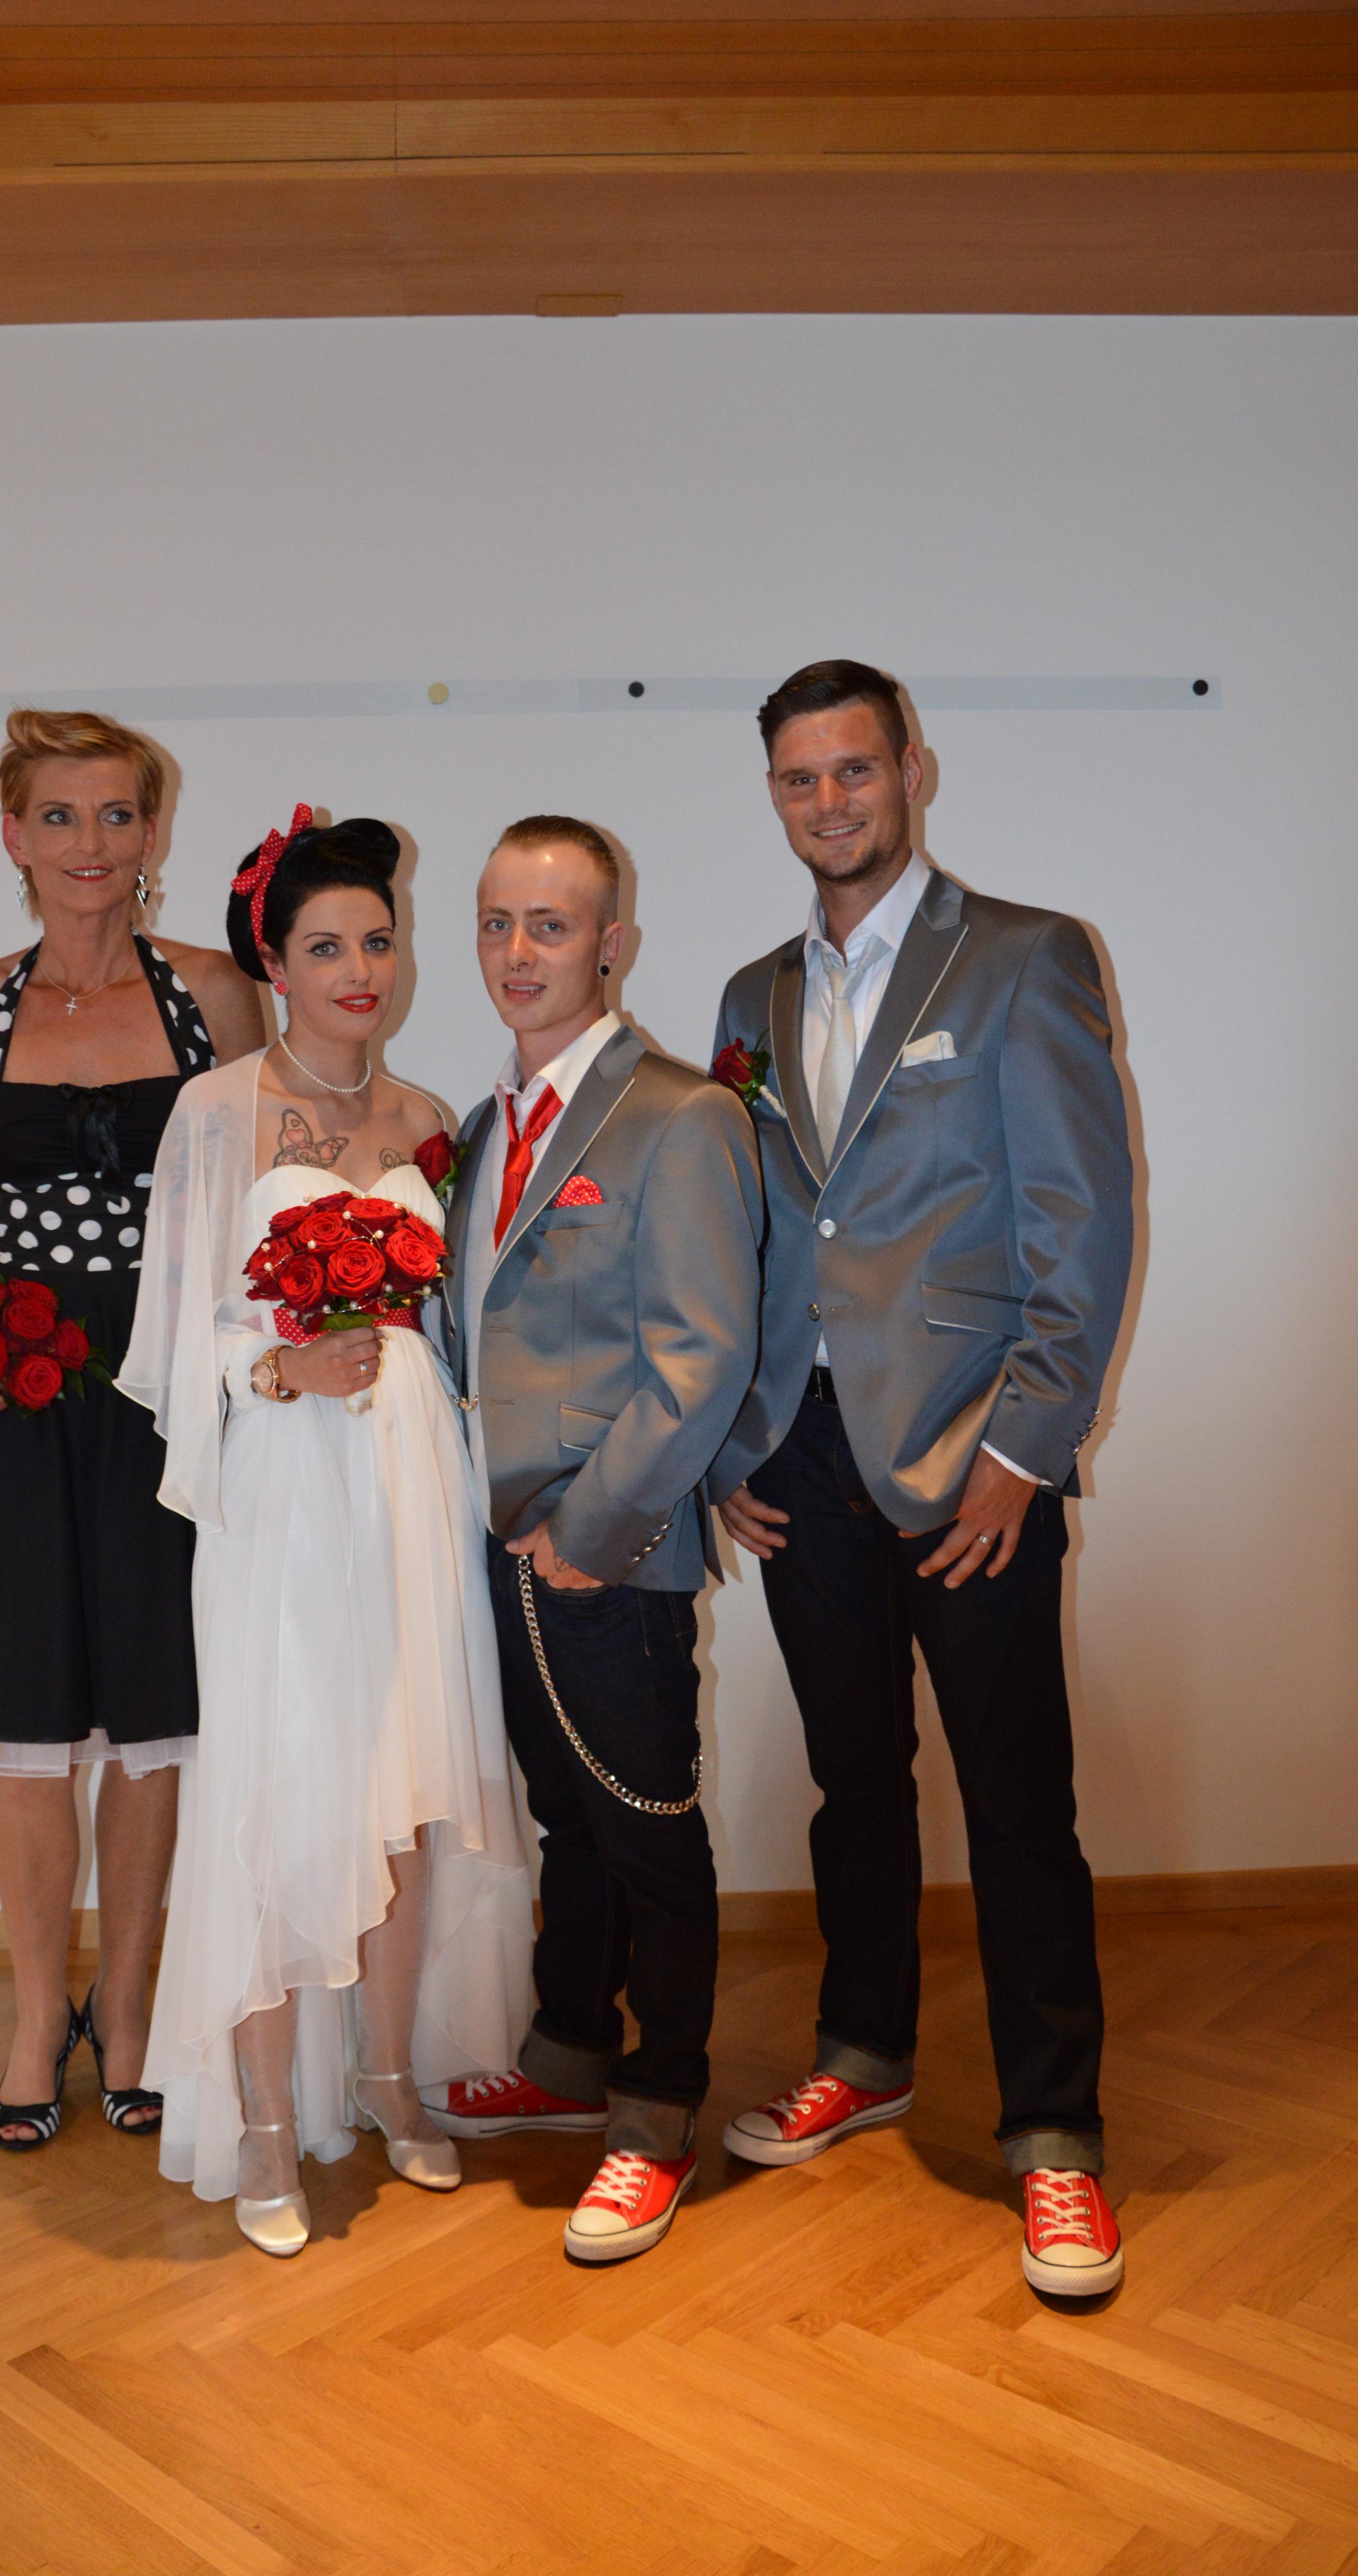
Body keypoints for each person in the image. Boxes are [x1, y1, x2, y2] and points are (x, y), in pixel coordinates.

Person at [710, 659, 1133, 2299]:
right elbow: (749, 1229)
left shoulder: (1025, 955)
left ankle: (1055, 2133)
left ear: (912, 771)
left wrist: (1026, 1449)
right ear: (775, 794)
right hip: (799, 1457)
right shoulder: (749, 995)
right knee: (853, 1781)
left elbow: (1082, 1222)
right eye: (799, 777)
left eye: (855, 769)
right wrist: (734, 1439)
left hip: (973, 1458)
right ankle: (865, 2048)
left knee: (1019, 1802)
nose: (829, 800)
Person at [0, 708, 268, 2150]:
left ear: (154, 830)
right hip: (15, 1385)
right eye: (62, 816)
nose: (92, 843)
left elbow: (261, 1198)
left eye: (118, 814)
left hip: (168, 1391)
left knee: (149, 1723)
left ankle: (127, 2011)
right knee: (26, 1724)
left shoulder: (218, 991)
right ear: (14, 835)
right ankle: (36, 2016)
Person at [120, 808, 532, 2259]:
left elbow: (466, 1330)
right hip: (283, 1490)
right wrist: (282, 1366)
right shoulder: (216, 1111)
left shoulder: (429, 1118)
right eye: (326, 946)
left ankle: (388, 2075)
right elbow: (176, 1346)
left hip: (409, 1480)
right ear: (274, 964)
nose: (360, 968)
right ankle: (264, 2119)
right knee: (285, 1784)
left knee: (406, 1785)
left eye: (377, 939)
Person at [427, 816, 764, 2264]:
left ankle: (659, 2104)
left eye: (551, 925)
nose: (519, 951)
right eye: (498, 922)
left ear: (612, 943)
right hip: (490, 1546)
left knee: (649, 1827)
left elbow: (703, 1353)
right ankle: (569, 2050)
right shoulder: (484, 1128)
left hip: (606, 1552)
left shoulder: (680, 1115)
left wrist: (595, 1526)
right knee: (568, 1815)